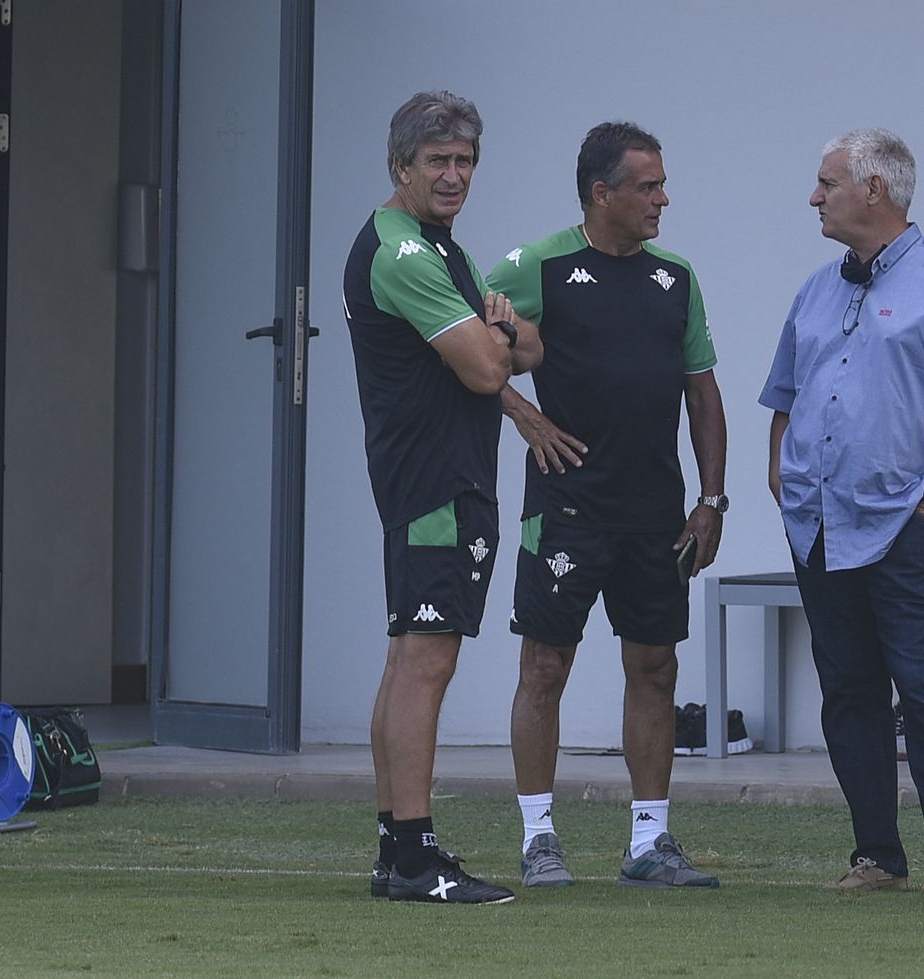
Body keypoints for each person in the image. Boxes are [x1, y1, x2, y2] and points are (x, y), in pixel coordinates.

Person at [759, 128, 924, 895]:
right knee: (849, 690)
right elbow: (784, 396)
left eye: (826, 182)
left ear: (874, 190)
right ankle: (877, 855)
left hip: (910, 522)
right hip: (820, 523)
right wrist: (783, 478)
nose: (814, 196)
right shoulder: (816, 288)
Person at [486, 121, 727, 889]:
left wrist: (711, 499)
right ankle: (538, 837)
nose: (663, 198)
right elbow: (455, 336)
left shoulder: (676, 277)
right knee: (546, 663)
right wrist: (525, 416)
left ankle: (649, 843)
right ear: (602, 193)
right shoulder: (537, 266)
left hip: (656, 508)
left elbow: (702, 390)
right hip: (565, 503)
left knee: (655, 664)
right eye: (647, 186)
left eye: (661, 183)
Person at [342, 90, 542, 904]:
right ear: (401, 166)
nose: (454, 174)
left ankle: (397, 849)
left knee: (406, 659)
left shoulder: (436, 244)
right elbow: (495, 366)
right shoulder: (407, 255)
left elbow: (525, 340)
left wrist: (497, 331)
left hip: (433, 477)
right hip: (434, 482)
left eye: (464, 161)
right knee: (426, 659)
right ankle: (419, 859)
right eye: (438, 162)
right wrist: (496, 334)